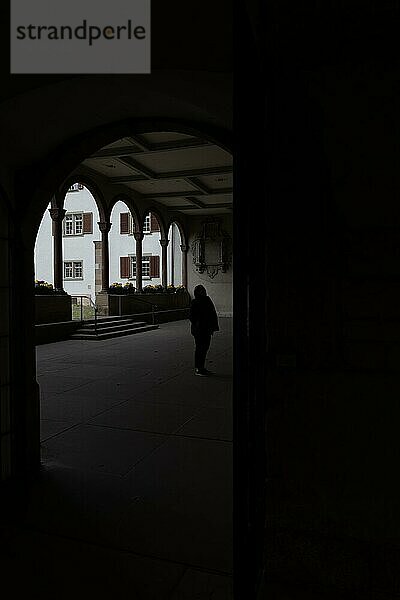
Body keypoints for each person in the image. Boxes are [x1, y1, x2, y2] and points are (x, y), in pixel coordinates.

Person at [189, 284, 219, 376]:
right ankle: (199, 368)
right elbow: (192, 316)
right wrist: (198, 324)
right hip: (200, 329)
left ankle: (201, 367)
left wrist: (212, 327)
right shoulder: (197, 302)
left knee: (204, 348)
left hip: (205, 328)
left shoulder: (206, 300)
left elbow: (212, 314)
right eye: (201, 290)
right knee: (200, 348)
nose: (203, 292)